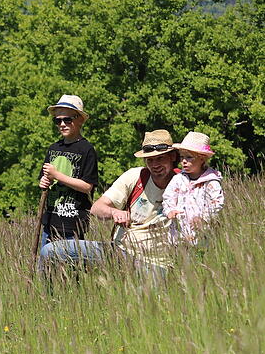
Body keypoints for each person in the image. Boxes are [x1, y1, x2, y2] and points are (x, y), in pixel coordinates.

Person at [41, 129, 180, 276]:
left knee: (140, 295)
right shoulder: (136, 176)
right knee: (50, 251)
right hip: (119, 252)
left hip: (157, 263)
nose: (155, 164)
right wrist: (115, 212)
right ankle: (50, 296)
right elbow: (97, 208)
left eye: (160, 158)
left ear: (172, 157)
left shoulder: (183, 183)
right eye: (150, 159)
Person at [37, 95, 99, 262]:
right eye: (58, 121)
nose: (62, 124)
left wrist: (57, 176)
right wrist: (43, 182)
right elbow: (43, 179)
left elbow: (87, 186)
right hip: (50, 223)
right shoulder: (53, 149)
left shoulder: (87, 149)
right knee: (46, 269)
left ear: (79, 120)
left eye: (67, 119)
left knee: (72, 270)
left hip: (73, 226)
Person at [163, 131, 224, 244]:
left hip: (202, 234)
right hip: (179, 233)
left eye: (189, 157)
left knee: (201, 257)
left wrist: (205, 218)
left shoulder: (211, 181)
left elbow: (217, 203)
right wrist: (170, 210)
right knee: (180, 258)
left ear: (202, 159)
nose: (184, 161)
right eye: (182, 157)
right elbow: (168, 197)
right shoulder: (178, 179)